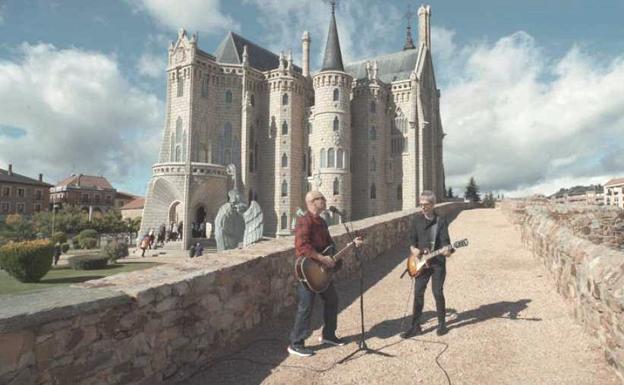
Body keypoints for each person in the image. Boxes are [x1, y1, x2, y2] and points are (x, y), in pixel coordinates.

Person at [288, 190, 363, 357]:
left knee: (332, 300)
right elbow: (302, 246)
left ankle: (328, 335)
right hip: (309, 271)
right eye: (321, 198)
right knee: (305, 307)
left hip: (322, 272)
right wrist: (322, 259)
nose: (325, 200)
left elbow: (329, 244)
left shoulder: (322, 222)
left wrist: (342, 251)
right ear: (313, 202)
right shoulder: (304, 221)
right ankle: (296, 343)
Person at [401, 190, 452, 338]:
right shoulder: (416, 220)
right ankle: (415, 326)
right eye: (421, 204)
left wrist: (447, 251)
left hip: (437, 264)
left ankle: (442, 324)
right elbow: (411, 241)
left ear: (433, 204)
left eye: (426, 205)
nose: (422, 207)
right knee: (418, 293)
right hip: (421, 264)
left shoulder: (440, 221)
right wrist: (414, 250)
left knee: (437, 292)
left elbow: (446, 245)